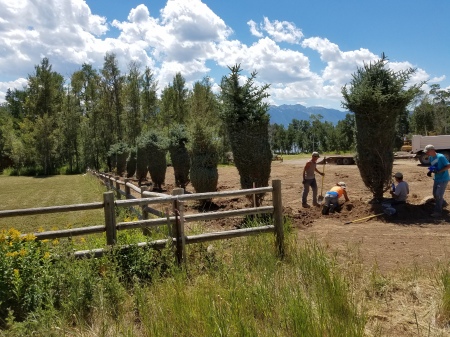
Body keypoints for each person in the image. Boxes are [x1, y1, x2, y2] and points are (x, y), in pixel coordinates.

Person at [424, 144, 450, 217]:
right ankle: (443, 203)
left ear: (432, 150)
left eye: (427, 152)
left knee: (438, 195)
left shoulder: (441, 157)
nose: (426, 153)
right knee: (435, 194)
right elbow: (433, 165)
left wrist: (440, 171)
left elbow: (448, 165)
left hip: (443, 178)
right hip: (437, 178)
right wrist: (430, 171)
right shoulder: (431, 157)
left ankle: (438, 212)